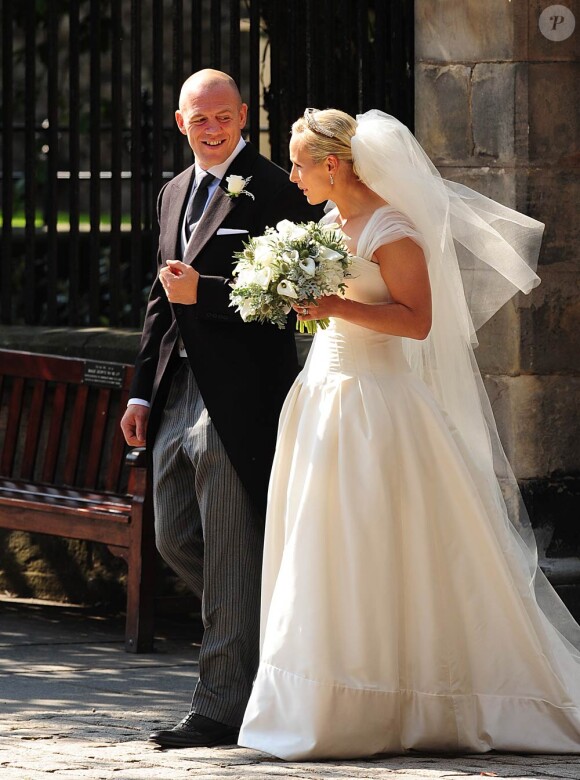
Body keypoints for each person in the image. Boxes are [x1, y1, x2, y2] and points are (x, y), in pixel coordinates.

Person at [238, 108, 580, 759]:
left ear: (332, 165)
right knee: (325, 545)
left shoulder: (392, 228)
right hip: (325, 397)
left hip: (378, 408)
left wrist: (334, 305)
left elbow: (417, 321)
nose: (292, 174)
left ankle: (403, 702)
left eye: (298, 161)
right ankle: (324, 703)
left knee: (382, 543)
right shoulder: (328, 224)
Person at [120, 70, 321, 749]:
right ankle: (277, 631)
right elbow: (158, 302)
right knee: (173, 535)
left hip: (240, 394)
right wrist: (142, 392)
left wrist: (201, 293)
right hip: (178, 391)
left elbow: (292, 296)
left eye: (223, 117)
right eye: (199, 119)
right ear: (181, 123)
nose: (211, 129)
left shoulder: (276, 188)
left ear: (242, 117)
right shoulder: (173, 191)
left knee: (233, 545)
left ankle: (220, 706)